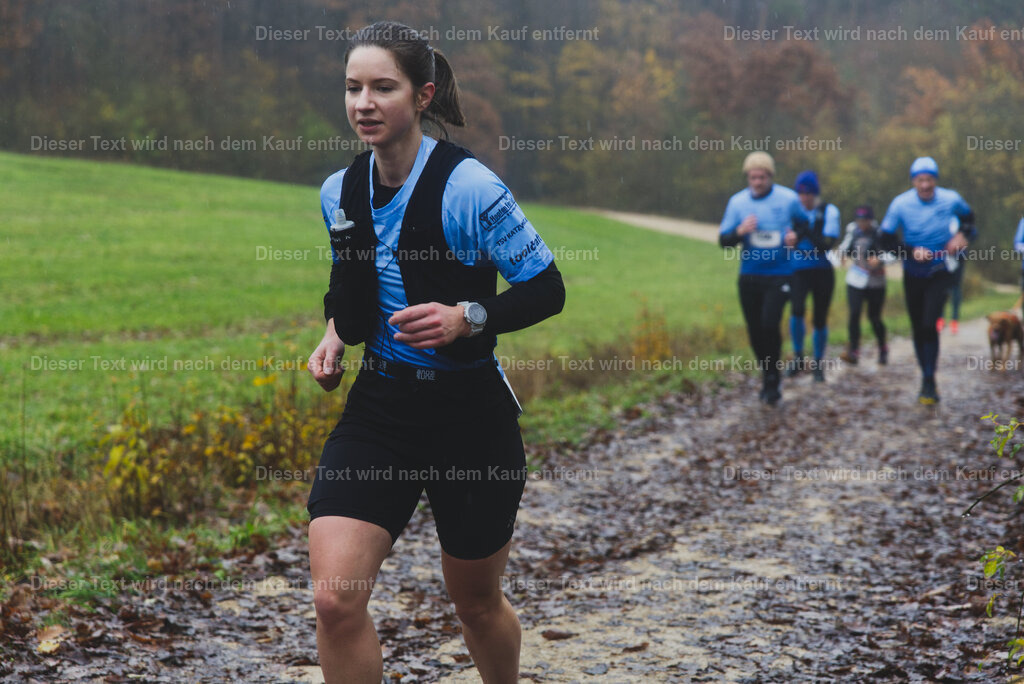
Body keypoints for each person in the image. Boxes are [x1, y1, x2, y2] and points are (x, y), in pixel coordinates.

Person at [305, 22, 565, 683]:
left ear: (422, 96)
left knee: (475, 604)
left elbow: (547, 288)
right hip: (382, 408)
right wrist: (335, 334)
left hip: (469, 416)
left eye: (382, 88)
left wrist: (468, 316)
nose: (364, 103)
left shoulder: (469, 187)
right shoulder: (340, 192)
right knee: (335, 599)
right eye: (352, 88)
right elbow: (350, 294)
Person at [880, 156, 976, 404]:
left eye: (929, 180)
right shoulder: (900, 204)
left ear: (936, 180)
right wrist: (910, 251)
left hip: (939, 270)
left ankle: (930, 380)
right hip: (913, 271)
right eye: (920, 180)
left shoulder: (950, 199)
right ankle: (925, 375)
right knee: (917, 327)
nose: (925, 185)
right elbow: (885, 239)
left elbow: (970, 220)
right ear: (913, 181)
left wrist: (962, 236)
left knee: (928, 323)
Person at [719, 151, 809, 404]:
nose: (757, 182)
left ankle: (773, 380)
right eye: (752, 177)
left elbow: (805, 224)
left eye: (761, 177)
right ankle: (768, 372)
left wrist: (796, 237)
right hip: (749, 276)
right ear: (747, 177)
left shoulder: (788, 199)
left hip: (780, 274)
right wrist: (740, 230)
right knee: (755, 331)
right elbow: (723, 241)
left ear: (770, 177)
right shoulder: (737, 203)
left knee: (770, 324)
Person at [787, 170, 840, 382]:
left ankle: (818, 363)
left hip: (821, 270)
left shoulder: (829, 211)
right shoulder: (791, 210)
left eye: (808, 193)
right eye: (800, 193)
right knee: (796, 310)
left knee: (819, 317)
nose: (804, 198)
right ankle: (798, 356)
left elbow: (826, 244)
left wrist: (806, 230)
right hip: (798, 268)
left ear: (815, 193)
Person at [837, 205, 888, 365]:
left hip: (876, 282)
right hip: (856, 280)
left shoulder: (880, 233)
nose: (862, 223)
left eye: (865, 220)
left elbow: (893, 252)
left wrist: (880, 260)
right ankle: (853, 351)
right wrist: (842, 254)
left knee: (874, 317)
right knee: (854, 314)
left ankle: (882, 348)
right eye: (859, 220)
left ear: (870, 220)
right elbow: (844, 246)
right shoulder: (852, 230)